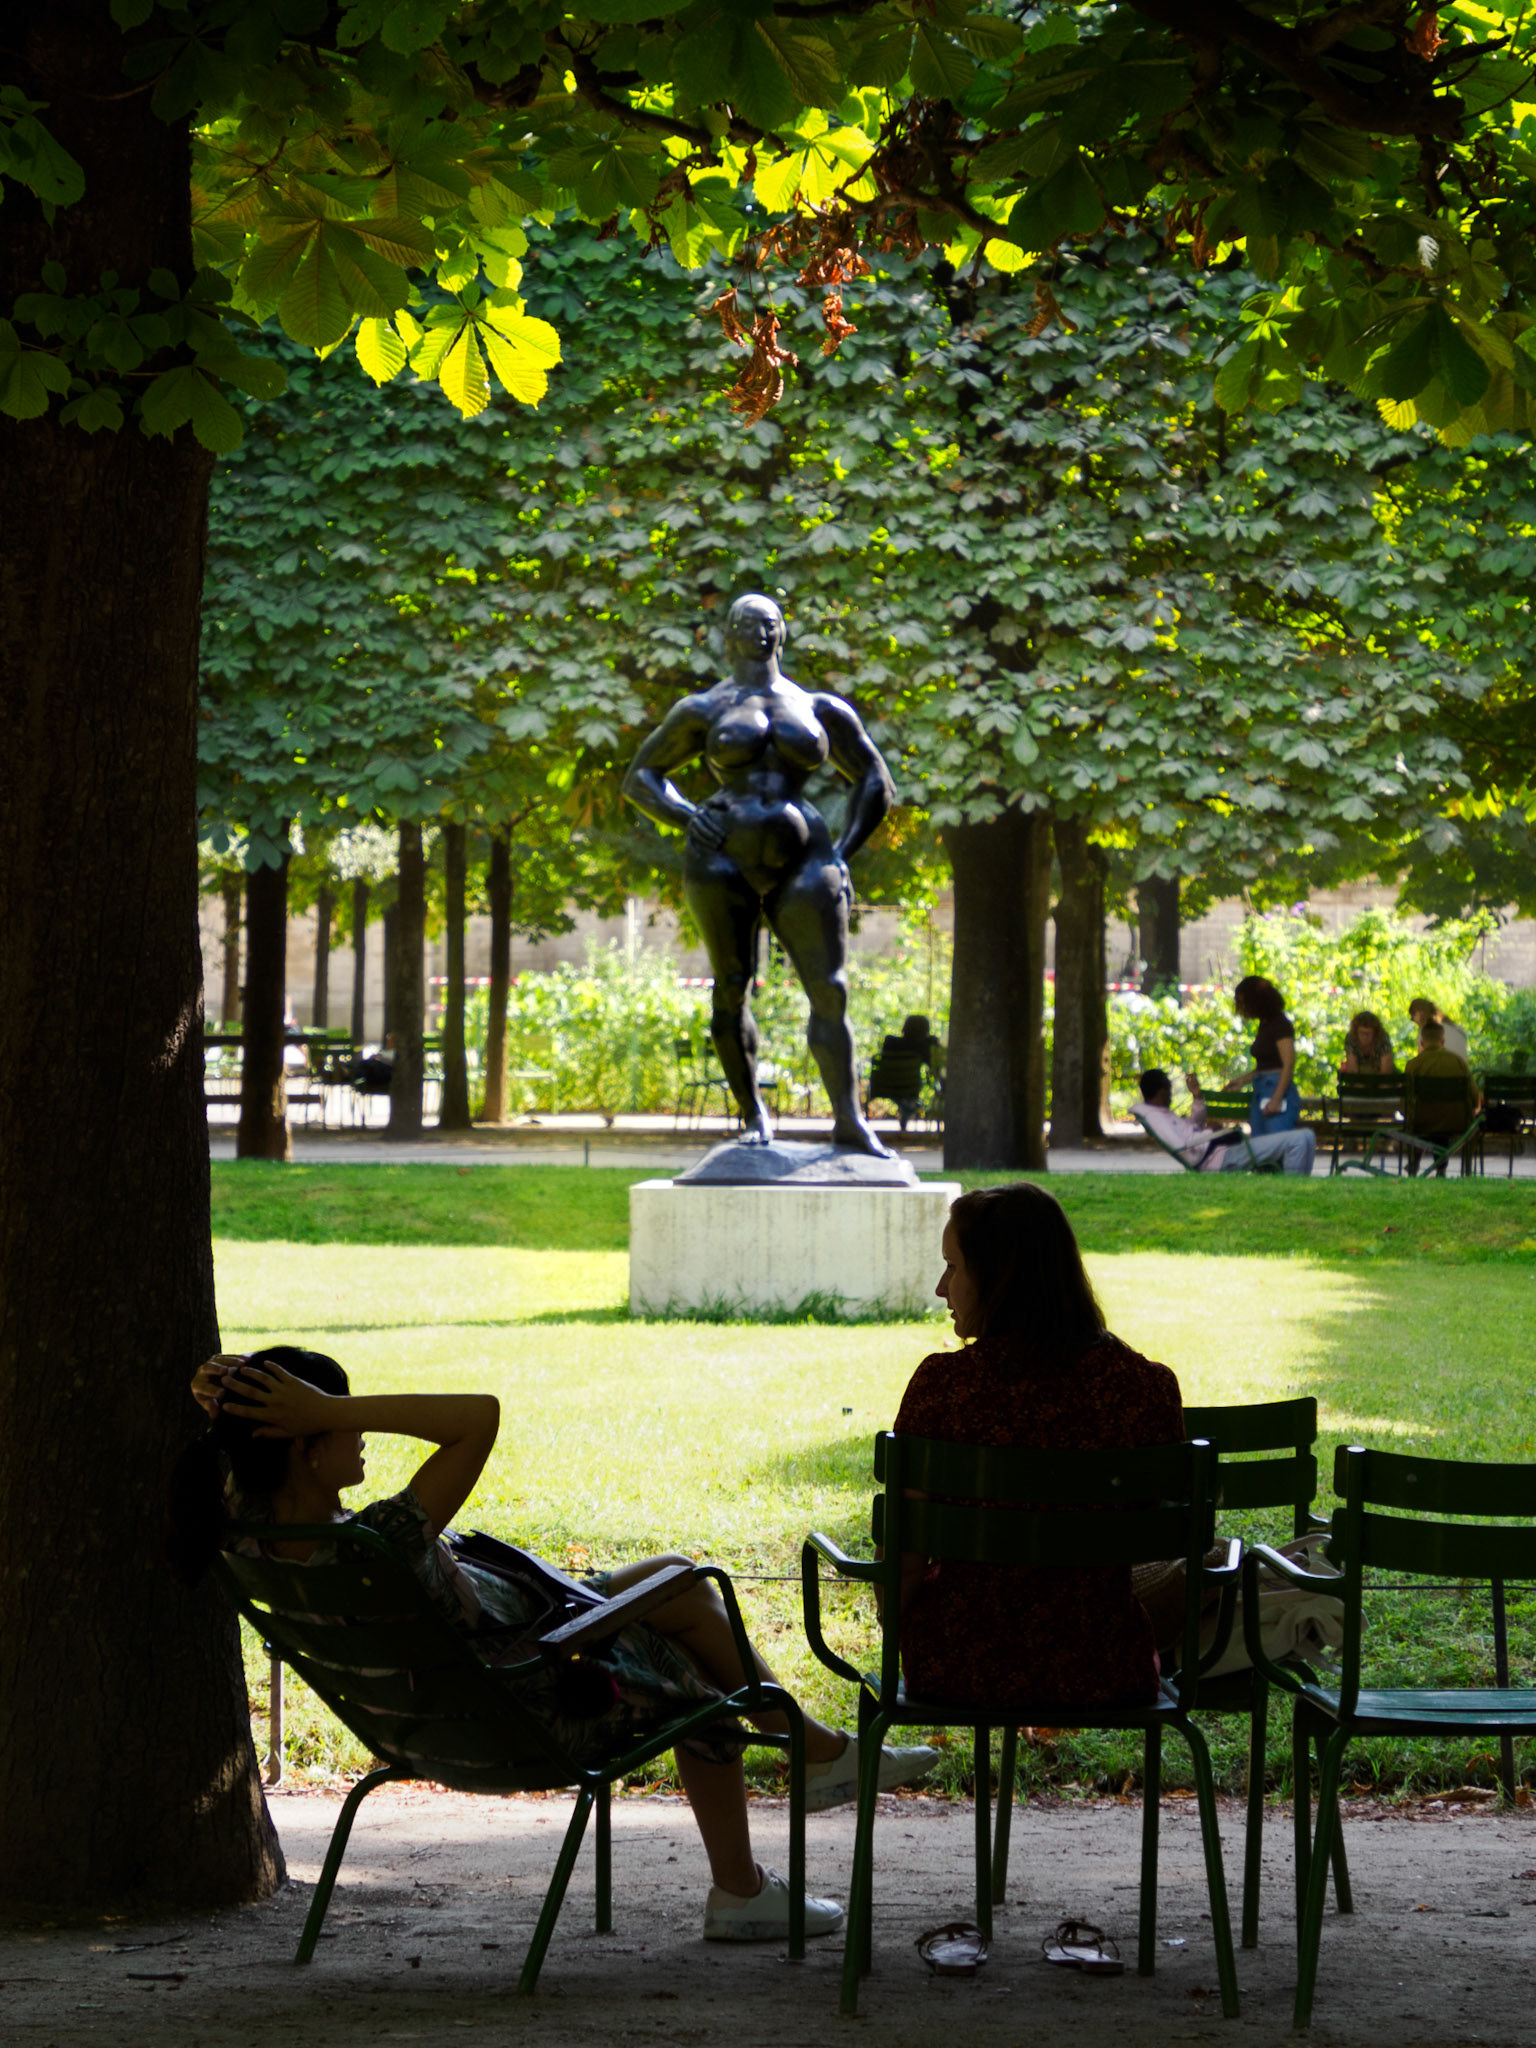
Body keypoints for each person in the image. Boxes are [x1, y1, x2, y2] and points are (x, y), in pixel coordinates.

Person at [166, 1347, 937, 1942]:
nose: (359, 1428)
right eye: (340, 1421)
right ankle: (759, 1856)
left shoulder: (247, 1526)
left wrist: (230, 1390)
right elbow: (479, 1415)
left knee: (675, 1577)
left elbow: (243, 1434)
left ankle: (816, 1756)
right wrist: (328, 1404)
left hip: (464, 1687)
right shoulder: (378, 1544)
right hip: (532, 1682)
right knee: (697, 1644)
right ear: (302, 1445)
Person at [891, 1184, 1185, 1708]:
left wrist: (899, 1630)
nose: (941, 1288)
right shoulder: (1145, 1389)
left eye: (954, 1268)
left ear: (999, 1278)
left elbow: (904, 1560)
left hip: (958, 1663)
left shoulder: (942, 1388)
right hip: (1106, 1665)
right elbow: (1151, 1532)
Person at [623, 594, 896, 1155]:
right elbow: (641, 776)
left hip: (807, 855)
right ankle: (752, 1116)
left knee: (830, 990)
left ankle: (848, 1119)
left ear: (784, 633)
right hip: (721, 857)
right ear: (729, 634)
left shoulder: (820, 707)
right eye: (749, 625)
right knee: (731, 985)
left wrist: (844, 851)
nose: (761, 633)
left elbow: (875, 780)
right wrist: (686, 815)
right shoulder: (702, 709)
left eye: (770, 624)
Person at [1136, 1069, 1316, 1174]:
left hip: (1224, 1150)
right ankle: (1294, 1190)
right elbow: (1181, 1146)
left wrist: (1198, 1096)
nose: (1171, 1093)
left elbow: (1192, 1128)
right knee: (1299, 1140)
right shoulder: (1156, 1117)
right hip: (1220, 1159)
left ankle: (1298, 1187)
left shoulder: (1162, 1113)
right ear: (1162, 1091)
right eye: (1169, 1088)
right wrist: (1211, 1133)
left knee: (1308, 1136)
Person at [1403, 1018, 1481, 1174]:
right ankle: (1441, 1168)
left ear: (1422, 1043)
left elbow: (1405, 1101)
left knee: (1424, 1121)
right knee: (1442, 1121)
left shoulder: (1413, 1065)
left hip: (1421, 1121)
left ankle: (1414, 1163)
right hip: (1456, 1121)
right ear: (1443, 1041)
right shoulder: (1459, 1062)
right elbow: (1474, 1098)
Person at [1230, 974, 1301, 1134]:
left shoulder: (1281, 1024)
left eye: (1244, 1003)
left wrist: (1277, 1098)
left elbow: (1288, 1064)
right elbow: (1265, 1066)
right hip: (1261, 1089)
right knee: (1260, 1146)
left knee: (1275, 1144)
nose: (1243, 1009)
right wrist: (1241, 1080)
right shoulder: (1265, 1025)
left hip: (1276, 1090)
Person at [879, 1013, 946, 1127]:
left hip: (886, 1085)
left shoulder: (891, 1043)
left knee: (903, 1088)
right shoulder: (925, 1047)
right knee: (910, 1086)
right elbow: (935, 1067)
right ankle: (908, 1106)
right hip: (912, 1086)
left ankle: (907, 1107)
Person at [1408, 997, 1469, 1062]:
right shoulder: (1457, 1030)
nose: (1413, 1021)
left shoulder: (1426, 1032)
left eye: (1412, 1017)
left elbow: (1422, 1060)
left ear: (1419, 1013)